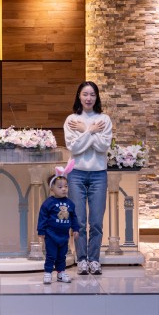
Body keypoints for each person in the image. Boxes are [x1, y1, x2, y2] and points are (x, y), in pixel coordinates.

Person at [64, 81, 112, 276]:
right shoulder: (71, 120)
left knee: (97, 221)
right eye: (85, 94)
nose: (88, 98)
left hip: (98, 173)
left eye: (92, 94)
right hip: (76, 173)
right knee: (80, 221)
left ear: (97, 97)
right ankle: (82, 259)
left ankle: (94, 259)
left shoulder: (104, 119)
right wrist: (91, 131)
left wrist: (84, 131)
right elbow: (74, 148)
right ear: (79, 96)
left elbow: (103, 147)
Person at [38, 160, 80, 284]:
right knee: (51, 255)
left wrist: (75, 229)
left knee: (62, 255)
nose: (64, 189)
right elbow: (42, 217)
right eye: (60, 187)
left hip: (64, 235)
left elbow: (73, 217)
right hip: (51, 235)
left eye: (66, 186)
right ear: (52, 188)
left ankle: (61, 273)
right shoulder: (48, 203)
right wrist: (41, 231)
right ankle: (47, 272)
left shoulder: (70, 203)